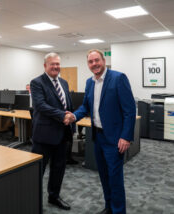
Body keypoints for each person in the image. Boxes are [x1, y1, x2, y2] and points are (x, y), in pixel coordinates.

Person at [65, 49, 136, 214]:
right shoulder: (90, 82)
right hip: (97, 136)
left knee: (115, 178)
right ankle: (109, 207)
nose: (94, 64)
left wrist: (126, 136)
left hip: (115, 138)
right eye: (90, 62)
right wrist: (74, 116)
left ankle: (118, 211)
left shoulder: (118, 78)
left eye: (97, 60)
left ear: (103, 61)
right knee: (104, 175)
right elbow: (85, 107)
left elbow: (129, 110)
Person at [30, 52, 75, 211]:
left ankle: (54, 196)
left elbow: (67, 104)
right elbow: (41, 106)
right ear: (45, 66)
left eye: (57, 64)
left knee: (58, 168)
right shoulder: (37, 83)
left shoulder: (64, 82)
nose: (56, 67)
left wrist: (71, 117)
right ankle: (31, 201)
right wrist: (63, 115)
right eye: (52, 64)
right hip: (44, 135)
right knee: (38, 171)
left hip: (62, 134)